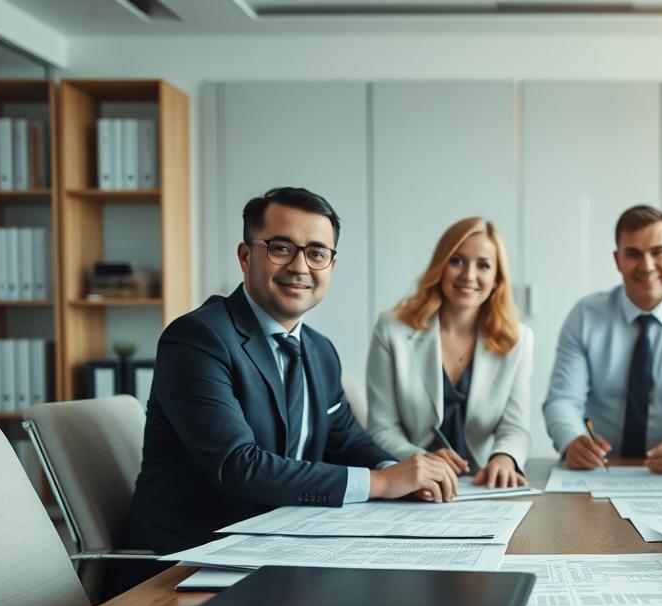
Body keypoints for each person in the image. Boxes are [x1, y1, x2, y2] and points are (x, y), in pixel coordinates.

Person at [122, 187, 459, 579]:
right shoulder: (199, 339)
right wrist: (381, 482)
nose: (300, 267)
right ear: (245, 256)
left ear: (331, 266)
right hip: (186, 564)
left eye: (317, 253)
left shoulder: (319, 350)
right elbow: (238, 466)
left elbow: (346, 441)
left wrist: (400, 471)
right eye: (281, 248)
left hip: (280, 548)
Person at [544, 204, 662, 473]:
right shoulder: (585, 316)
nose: (646, 266)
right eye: (633, 254)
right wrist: (572, 440)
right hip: (600, 470)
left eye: (658, 252)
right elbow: (563, 400)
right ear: (617, 260)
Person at [365, 217, 533, 488]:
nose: (469, 275)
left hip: (482, 483)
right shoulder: (391, 330)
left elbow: (515, 426)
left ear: (497, 279)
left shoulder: (518, 339)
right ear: (440, 266)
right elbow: (382, 428)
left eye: (484, 265)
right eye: (457, 260)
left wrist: (504, 458)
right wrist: (421, 459)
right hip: (413, 482)